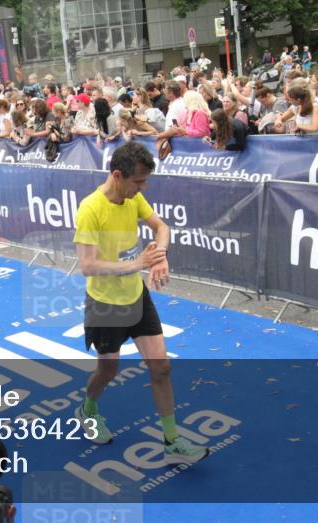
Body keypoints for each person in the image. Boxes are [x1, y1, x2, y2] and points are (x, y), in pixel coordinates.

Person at [72, 141, 209, 464]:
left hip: (136, 297)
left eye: (145, 181)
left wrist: (159, 256)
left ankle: (172, 441)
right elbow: (87, 266)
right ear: (117, 175)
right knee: (108, 370)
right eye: (139, 181)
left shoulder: (132, 198)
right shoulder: (90, 209)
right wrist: (139, 264)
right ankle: (88, 407)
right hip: (105, 303)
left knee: (160, 366)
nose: (143, 188)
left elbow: (162, 227)